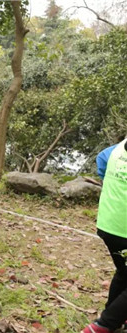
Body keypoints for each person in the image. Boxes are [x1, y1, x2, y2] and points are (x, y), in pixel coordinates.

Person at [82, 139, 127, 333]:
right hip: (124, 229)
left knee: (125, 273)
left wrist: (108, 182)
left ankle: (115, 317)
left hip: (107, 225)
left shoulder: (118, 148)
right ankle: (103, 326)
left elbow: (102, 158)